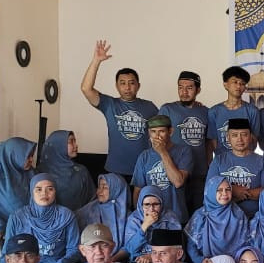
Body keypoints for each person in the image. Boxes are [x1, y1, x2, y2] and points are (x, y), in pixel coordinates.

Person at [79, 40, 157, 179]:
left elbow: (164, 131)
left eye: (131, 83)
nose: (127, 87)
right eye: (122, 83)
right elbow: (86, 88)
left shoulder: (149, 107)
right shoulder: (109, 104)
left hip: (143, 169)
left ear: (138, 85)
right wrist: (96, 61)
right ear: (116, 86)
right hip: (115, 170)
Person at [4, 174, 81, 263]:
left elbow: (74, 248)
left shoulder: (66, 216)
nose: (44, 193)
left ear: (55, 192)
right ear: (32, 192)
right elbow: (7, 251)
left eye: (50, 189)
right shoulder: (17, 217)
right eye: (39, 189)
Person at [158, 70, 211, 214]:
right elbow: (158, 139)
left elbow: (209, 142)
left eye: (189, 88)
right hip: (175, 172)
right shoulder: (167, 109)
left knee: (198, 214)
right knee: (175, 215)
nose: (184, 92)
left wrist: (209, 165)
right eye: (180, 87)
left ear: (198, 90)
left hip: (199, 173)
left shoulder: (206, 112)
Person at [131, 115, 193, 223]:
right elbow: (138, 191)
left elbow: (178, 182)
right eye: (153, 132)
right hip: (152, 218)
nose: (157, 136)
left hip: (176, 217)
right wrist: (140, 218)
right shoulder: (144, 156)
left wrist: (162, 152)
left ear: (170, 132)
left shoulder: (184, 151)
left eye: (161, 131)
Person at [207, 118, 264, 218]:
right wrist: (233, 190)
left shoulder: (262, 161)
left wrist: (240, 193)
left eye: (244, 135)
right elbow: (210, 190)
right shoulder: (219, 160)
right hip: (223, 217)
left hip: (255, 216)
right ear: (228, 137)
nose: (240, 139)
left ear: (250, 137)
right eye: (234, 135)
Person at [185, 178, 249, 263]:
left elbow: (246, 244)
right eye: (219, 190)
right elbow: (191, 246)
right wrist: (201, 261)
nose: (224, 193)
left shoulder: (238, 214)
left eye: (228, 189)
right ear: (211, 192)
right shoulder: (200, 216)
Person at [75, 173, 131, 263]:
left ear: (116, 189)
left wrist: (112, 260)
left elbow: (131, 245)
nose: (99, 192)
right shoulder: (87, 211)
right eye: (99, 187)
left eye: (105, 187)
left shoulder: (129, 216)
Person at [123, 186, 181, 263]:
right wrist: (145, 226)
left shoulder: (170, 218)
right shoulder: (134, 219)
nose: (151, 209)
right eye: (147, 205)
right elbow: (130, 249)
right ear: (141, 205)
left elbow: (175, 249)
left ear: (161, 204)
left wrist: (151, 257)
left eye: (156, 204)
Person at [208, 66, 261, 155]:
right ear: (225, 85)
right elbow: (213, 142)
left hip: (245, 160)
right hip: (222, 160)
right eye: (235, 82)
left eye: (242, 83)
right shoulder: (214, 111)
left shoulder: (252, 111)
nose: (238, 86)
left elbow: (254, 141)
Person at [37, 130, 95, 212]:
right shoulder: (41, 172)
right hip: (49, 218)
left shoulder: (81, 171)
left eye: (75, 141)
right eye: (71, 142)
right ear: (58, 145)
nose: (76, 145)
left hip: (79, 217)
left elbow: (91, 199)